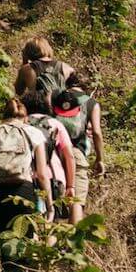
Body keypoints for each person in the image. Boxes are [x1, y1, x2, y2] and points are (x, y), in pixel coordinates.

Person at [0, 98, 53, 240]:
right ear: (25, 117)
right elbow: (42, 174)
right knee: (23, 243)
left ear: (3, 116)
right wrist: (50, 206)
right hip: (21, 193)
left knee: (5, 241)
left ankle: (7, 262)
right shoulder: (33, 133)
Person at [24, 90, 81, 223]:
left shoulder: (22, 124)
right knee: (53, 223)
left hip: (26, 180)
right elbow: (69, 156)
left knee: (31, 222)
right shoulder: (54, 124)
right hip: (54, 180)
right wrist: (71, 186)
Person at [51, 73, 106, 211]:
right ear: (86, 87)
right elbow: (97, 132)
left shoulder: (54, 97)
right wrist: (100, 159)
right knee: (76, 203)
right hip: (76, 153)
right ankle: (74, 231)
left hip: (52, 153)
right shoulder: (90, 103)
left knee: (53, 202)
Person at [15, 37, 74, 104]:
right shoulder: (65, 67)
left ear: (28, 51)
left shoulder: (27, 69)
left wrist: (24, 62)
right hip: (63, 108)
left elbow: (18, 91)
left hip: (40, 109)